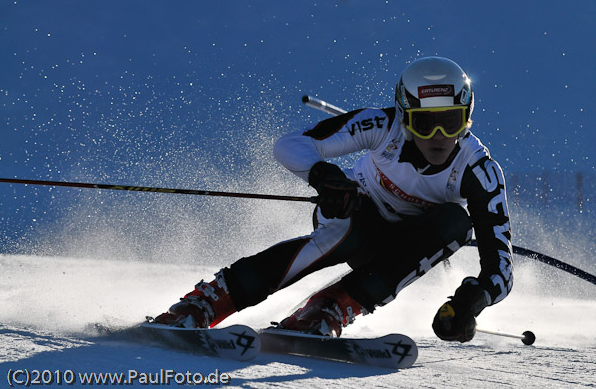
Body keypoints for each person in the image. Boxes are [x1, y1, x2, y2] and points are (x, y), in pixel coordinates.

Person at [154, 56, 513, 343]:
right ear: (404, 118)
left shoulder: (478, 170)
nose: (438, 137)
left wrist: (472, 300)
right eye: (424, 123)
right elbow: (289, 146)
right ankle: (210, 301)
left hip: (401, 248)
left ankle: (331, 307)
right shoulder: (381, 126)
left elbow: (501, 270)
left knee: (457, 223)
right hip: (350, 217)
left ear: (467, 119)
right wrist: (325, 178)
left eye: (451, 122)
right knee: (349, 231)